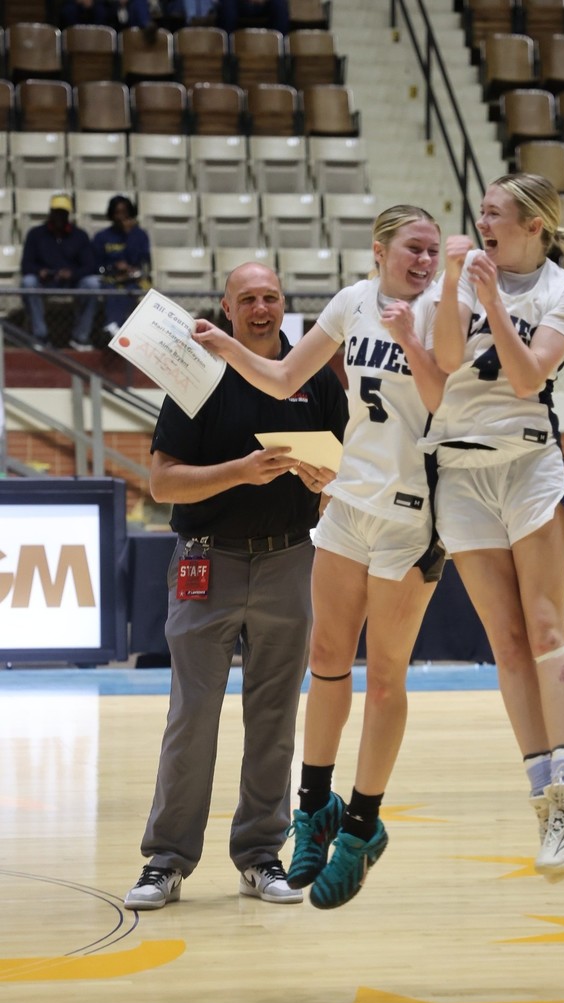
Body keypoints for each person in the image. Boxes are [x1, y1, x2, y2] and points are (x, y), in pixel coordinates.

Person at [191, 205, 445, 910]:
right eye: (413, 249)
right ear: (381, 250)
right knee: (327, 662)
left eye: (433, 250)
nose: (425, 261)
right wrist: (226, 347)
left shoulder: (447, 313)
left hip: (412, 512)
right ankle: (314, 809)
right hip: (347, 507)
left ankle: (363, 827)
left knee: (386, 677)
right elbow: (281, 381)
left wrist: (414, 338)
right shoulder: (351, 302)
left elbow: (445, 403)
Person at [123, 262, 348, 911]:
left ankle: (259, 856)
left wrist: (323, 483)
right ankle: (166, 861)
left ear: (285, 305)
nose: (260, 307)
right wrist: (241, 473)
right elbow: (163, 483)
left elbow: (344, 471)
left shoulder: (314, 379)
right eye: (246, 297)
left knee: (274, 719)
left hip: (289, 564)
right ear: (225, 308)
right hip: (206, 561)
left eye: (270, 296)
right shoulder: (199, 377)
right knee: (191, 718)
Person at [422, 172, 564, 882]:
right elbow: (445, 360)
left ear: (533, 225)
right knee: (504, 644)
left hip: (530, 464)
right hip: (462, 471)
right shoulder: (465, 280)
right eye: (480, 213)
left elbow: (528, 376)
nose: (483, 223)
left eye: (495, 214)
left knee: (544, 629)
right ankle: (545, 799)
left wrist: (495, 301)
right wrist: (452, 281)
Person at [20, 193, 101, 352]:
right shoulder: (36, 234)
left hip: (72, 282)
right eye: (56, 212)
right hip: (44, 282)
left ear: (68, 214)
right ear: (50, 212)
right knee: (28, 282)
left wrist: (72, 273)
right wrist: (39, 271)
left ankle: (80, 337)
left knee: (93, 283)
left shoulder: (79, 236)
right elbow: (26, 264)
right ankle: (40, 336)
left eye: (63, 213)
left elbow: (90, 266)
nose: (59, 216)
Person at [93, 195, 152, 342]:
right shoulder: (102, 237)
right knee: (113, 290)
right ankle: (114, 326)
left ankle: (112, 326)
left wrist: (129, 235)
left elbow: (141, 260)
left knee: (130, 290)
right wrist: (113, 267)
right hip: (109, 278)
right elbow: (95, 264)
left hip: (133, 279)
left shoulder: (139, 235)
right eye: (117, 212)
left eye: (124, 212)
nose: (121, 216)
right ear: (112, 214)